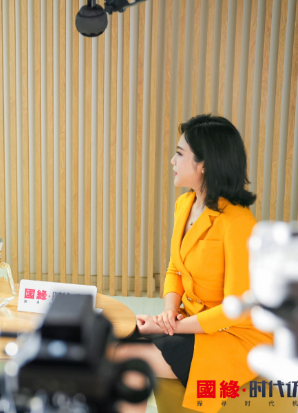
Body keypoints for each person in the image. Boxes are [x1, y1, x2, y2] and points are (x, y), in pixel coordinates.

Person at [114, 114, 273, 413]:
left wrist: (172, 326)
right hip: (190, 321)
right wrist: (168, 313)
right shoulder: (184, 204)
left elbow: (234, 309)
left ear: (204, 165)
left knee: (126, 358)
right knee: (117, 342)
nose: (172, 161)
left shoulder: (238, 223)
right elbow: (175, 267)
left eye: (179, 154)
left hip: (231, 335)